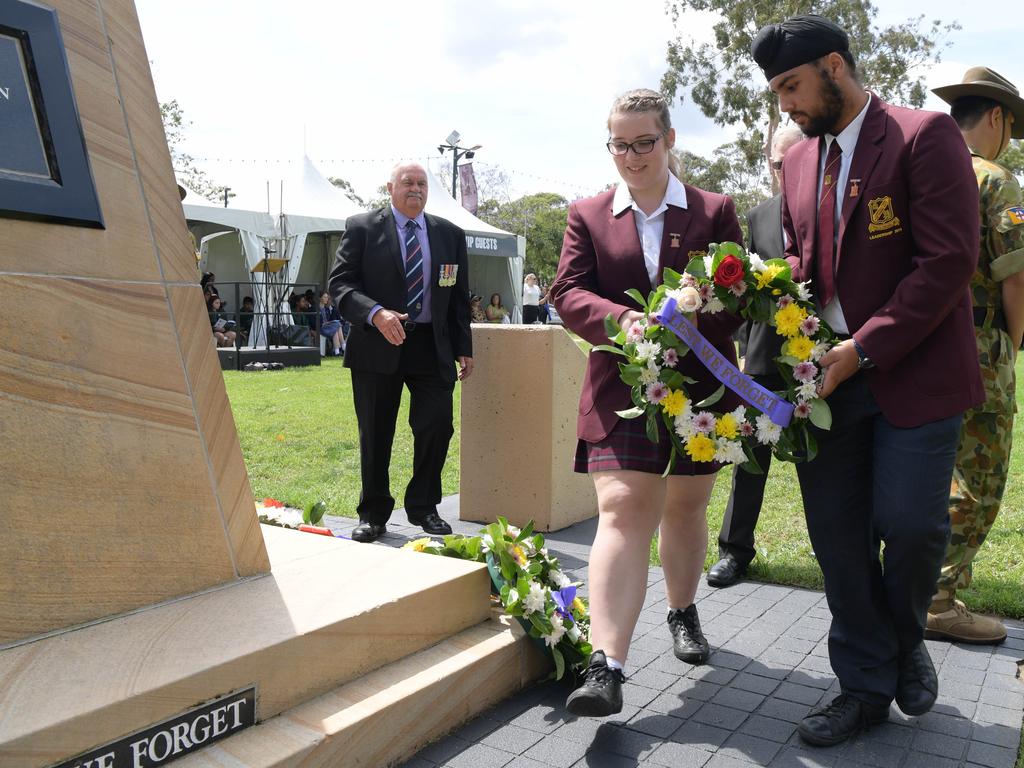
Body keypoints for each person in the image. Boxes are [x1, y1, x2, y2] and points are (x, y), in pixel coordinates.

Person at [751, 15, 983, 746]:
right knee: (838, 540)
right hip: (827, 387)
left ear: (835, 66)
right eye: (777, 91)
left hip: (913, 376)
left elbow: (947, 262)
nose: (785, 104)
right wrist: (768, 288)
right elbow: (796, 259)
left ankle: (904, 635)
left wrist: (862, 347)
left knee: (913, 527)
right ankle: (862, 687)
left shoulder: (923, 136)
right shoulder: (795, 164)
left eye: (792, 85)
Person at [551, 88, 744, 717]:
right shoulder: (586, 214)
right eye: (619, 144)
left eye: (644, 142)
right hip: (621, 389)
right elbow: (570, 293)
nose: (631, 156)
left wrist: (696, 305)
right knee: (624, 510)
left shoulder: (715, 212)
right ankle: (606, 665)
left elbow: (740, 296)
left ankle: (682, 611)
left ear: (669, 140)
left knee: (686, 508)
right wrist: (625, 323)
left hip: (701, 389)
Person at [928, 68, 1024, 644]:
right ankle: (935, 599)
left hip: (912, 346)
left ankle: (905, 583)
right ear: (995, 118)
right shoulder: (996, 181)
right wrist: (1012, 342)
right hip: (980, 346)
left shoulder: (916, 174)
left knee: (923, 470)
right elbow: (1015, 277)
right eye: (1010, 127)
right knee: (978, 477)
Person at [328, 162, 473, 543]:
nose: (416, 189)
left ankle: (424, 506)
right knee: (376, 431)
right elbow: (341, 286)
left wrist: (464, 347)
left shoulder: (450, 235)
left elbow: (458, 297)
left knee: (437, 424)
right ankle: (373, 513)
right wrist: (375, 314)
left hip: (431, 346)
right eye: (408, 183)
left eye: (422, 184)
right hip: (378, 344)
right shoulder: (362, 227)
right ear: (390, 187)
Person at [708, 124, 805, 588]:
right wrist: (745, 351)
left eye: (792, 160)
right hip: (764, 359)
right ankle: (733, 550)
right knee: (750, 457)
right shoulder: (758, 217)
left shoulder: (833, 211)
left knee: (827, 464)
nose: (783, 171)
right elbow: (742, 293)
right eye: (775, 163)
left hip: (820, 359)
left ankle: (848, 553)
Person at [319, 290, 346, 356]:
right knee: (337, 324)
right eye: (325, 297)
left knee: (336, 328)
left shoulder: (326, 309)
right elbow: (313, 321)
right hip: (320, 328)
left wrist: (328, 323)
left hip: (327, 327)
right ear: (320, 298)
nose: (327, 299)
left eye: (327, 297)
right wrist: (322, 324)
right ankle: (343, 347)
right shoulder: (315, 308)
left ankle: (337, 352)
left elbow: (329, 320)